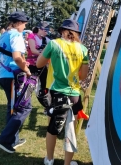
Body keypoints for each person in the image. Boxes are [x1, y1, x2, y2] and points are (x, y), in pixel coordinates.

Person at [36, 19, 89, 165]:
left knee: (53, 128)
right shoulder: (82, 49)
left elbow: (38, 63)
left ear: (62, 31)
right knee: (70, 130)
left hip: (57, 93)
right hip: (74, 95)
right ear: (76, 33)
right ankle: (67, 163)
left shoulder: (54, 44)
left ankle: (50, 159)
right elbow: (83, 75)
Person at [0, 11, 32, 153]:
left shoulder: (3, 35)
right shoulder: (16, 35)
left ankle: (12, 139)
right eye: (23, 24)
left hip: (4, 75)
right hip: (14, 77)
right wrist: (26, 70)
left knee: (12, 107)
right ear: (17, 23)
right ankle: (4, 140)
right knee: (24, 107)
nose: (24, 26)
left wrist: (21, 62)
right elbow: (16, 57)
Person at [27, 22, 50, 93]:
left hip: (42, 63)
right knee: (30, 83)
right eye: (45, 30)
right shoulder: (32, 36)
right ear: (39, 29)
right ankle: (26, 98)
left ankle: (44, 96)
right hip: (32, 63)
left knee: (44, 82)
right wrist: (43, 54)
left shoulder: (46, 39)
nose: (46, 32)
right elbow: (33, 50)